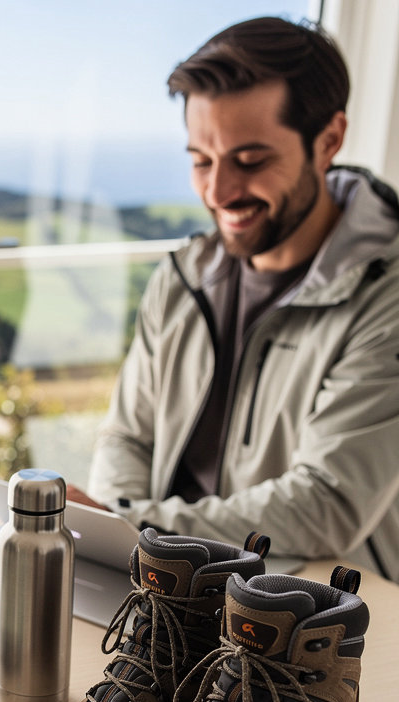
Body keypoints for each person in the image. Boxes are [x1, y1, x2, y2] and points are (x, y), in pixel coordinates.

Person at [72, 16, 399, 581]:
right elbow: (127, 436)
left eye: (250, 161)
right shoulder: (181, 278)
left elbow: (327, 501)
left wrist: (140, 531)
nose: (218, 191)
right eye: (201, 160)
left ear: (328, 141)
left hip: (306, 605)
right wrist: (117, 539)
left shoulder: (385, 297)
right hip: (171, 587)